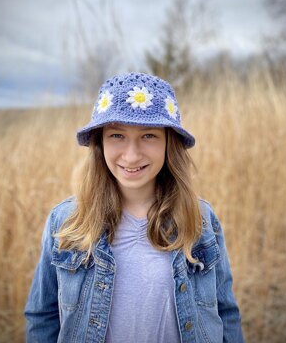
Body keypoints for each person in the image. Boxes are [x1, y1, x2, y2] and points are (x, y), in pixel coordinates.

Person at [24, 72, 244, 343]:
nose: (131, 155)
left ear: (168, 143)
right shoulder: (66, 223)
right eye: (117, 135)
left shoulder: (201, 220)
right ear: (100, 143)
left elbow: (226, 312)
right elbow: (42, 316)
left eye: (148, 135)